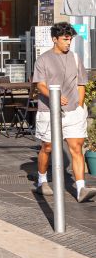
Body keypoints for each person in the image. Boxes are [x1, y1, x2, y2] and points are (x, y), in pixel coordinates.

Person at [33, 22, 94, 202]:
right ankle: (42, 180)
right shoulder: (43, 59)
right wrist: (55, 96)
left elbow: (81, 83)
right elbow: (40, 84)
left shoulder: (75, 58)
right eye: (65, 39)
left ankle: (81, 188)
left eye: (70, 39)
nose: (68, 43)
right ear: (55, 39)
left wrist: (79, 105)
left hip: (73, 112)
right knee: (48, 147)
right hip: (49, 111)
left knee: (76, 148)